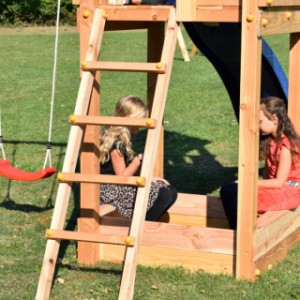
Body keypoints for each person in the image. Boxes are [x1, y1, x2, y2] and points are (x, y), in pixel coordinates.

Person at [220, 96, 300, 229]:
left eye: (260, 121)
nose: (257, 125)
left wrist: (248, 183)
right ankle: (234, 232)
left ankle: (241, 237)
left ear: (274, 119)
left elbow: (279, 182)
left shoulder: (287, 146)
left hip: (289, 191)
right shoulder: (270, 141)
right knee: (227, 190)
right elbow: (268, 175)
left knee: (240, 202)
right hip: (276, 189)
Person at [99, 95, 177, 221]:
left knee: (170, 191)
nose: (141, 126)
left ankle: (147, 224)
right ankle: (143, 227)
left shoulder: (122, 139)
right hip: (108, 190)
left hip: (118, 186)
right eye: (140, 120)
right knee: (163, 194)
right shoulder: (117, 145)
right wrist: (138, 159)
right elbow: (123, 177)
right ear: (131, 119)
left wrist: (151, 178)